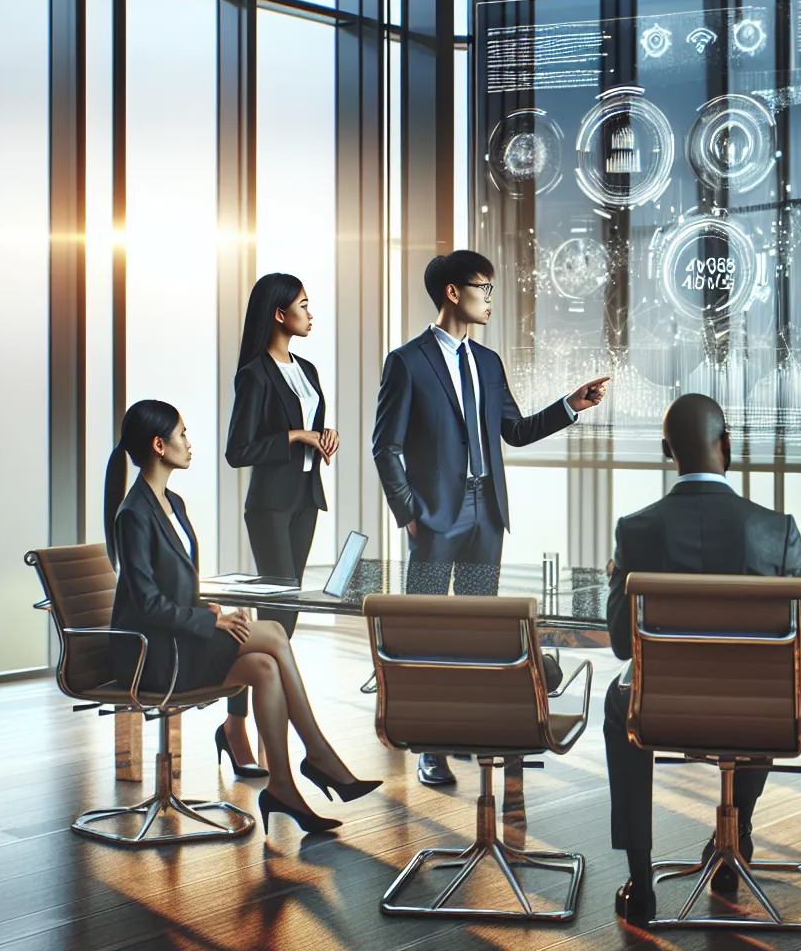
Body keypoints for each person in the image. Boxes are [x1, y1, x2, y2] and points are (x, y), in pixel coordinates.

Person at [371, 248, 609, 786]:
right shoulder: (406, 362)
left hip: (487, 514)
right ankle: (429, 746)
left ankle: (469, 729)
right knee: (428, 633)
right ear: (453, 292)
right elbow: (385, 447)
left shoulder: (488, 362)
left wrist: (571, 405)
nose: (491, 298)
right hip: (436, 518)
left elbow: (515, 431)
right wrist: (410, 513)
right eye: (484, 287)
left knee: (479, 629)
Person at [105, 399, 379, 835]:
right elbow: (146, 603)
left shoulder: (172, 502)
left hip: (178, 640)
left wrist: (206, 608)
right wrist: (209, 622)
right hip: (152, 657)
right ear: (159, 445)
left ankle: (284, 787)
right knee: (271, 633)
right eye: (182, 435)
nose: (189, 443)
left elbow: (175, 586)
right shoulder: (134, 514)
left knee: (265, 668)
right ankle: (319, 753)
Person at [601, 394, 801, 925]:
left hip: (660, 714)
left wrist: (615, 582)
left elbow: (623, 645)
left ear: (667, 450)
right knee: (773, 687)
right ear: (728, 447)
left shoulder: (636, 530)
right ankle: (735, 829)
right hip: (758, 721)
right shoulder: (778, 531)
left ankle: (641, 880)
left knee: (617, 701)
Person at [218, 273, 337, 776]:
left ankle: (256, 722)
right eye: (304, 306)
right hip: (270, 506)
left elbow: (310, 427)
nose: (311, 314)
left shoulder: (306, 369)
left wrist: (322, 436)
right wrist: (296, 435)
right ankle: (238, 723)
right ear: (279, 314)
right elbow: (237, 451)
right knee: (276, 621)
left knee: (283, 620)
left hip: (305, 501)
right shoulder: (255, 374)